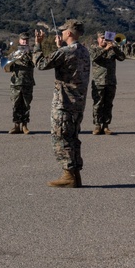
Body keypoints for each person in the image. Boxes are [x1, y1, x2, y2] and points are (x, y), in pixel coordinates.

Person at [35, 19, 91, 188]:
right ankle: (75, 175)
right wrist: (60, 48)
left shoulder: (66, 51)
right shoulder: (83, 51)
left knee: (61, 138)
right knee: (72, 138)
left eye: (63, 31)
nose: (61, 33)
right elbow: (69, 64)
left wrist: (38, 45)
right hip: (78, 103)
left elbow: (41, 64)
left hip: (64, 103)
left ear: (70, 33)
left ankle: (69, 175)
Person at [90, 31, 126, 135]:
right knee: (97, 104)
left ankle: (106, 126)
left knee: (108, 105)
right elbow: (94, 58)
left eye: (106, 38)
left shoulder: (113, 50)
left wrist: (114, 48)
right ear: (98, 39)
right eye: (102, 38)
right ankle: (97, 125)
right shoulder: (94, 49)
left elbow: (122, 58)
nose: (104, 40)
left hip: (110, 82)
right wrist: (105, 49)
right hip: (98, 82)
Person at [4, 32, 36, 134]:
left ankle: (24, 126)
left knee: (26, 105)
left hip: (27, 82)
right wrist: (12, 60)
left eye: (26, 40)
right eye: (23, 39)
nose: (25, 41)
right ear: (19, 40)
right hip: (16, 83)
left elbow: (37, 63)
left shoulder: (32, 54)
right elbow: (6, 68)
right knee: (16, 104)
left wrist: (28, 55)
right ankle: (16, 125)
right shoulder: (14, 54)